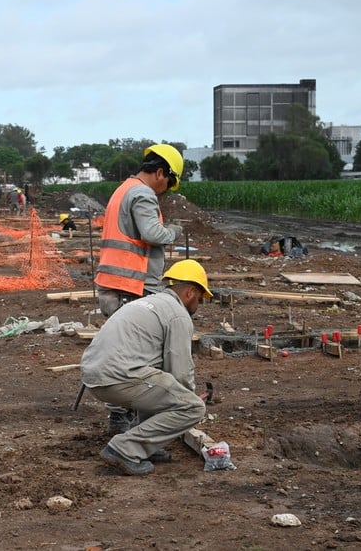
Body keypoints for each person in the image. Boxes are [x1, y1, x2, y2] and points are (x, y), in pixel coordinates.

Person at [81, 259, 213, 476]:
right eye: (199, 299)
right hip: (118, 377)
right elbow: (180, 373)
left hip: (96, 374)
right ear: (190, 293)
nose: (198, 306)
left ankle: (146, 444)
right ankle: (124, 449)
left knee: (157, 381)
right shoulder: (177, 314)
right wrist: (185, 400)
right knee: (192, 407)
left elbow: (160, 378)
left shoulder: (149, 303)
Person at [93, 143, 185, 433]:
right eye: (167, 184)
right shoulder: (143, 194)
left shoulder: (124, 188)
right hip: (130, 287)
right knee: (137, 357)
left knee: (124, 353)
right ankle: (129, 424)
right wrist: (175, 231)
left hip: (115, 283)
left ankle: (124, 419)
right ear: (160, 173)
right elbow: (152, 233)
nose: (165, 191)